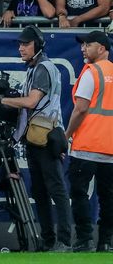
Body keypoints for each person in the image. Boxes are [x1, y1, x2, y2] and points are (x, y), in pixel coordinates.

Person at [0, 26, 72, 252]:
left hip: (45, 138)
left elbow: (30, 102)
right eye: (20, 44)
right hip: (36, 137)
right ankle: (49, 240)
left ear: (38, 46)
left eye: (26, 44)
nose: (21, 48)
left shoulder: (42, 68)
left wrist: (1, 101)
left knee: (55, 189)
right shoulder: (35, 68)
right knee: (40, 191)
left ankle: (64, 240)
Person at [66, 31, 113, 252]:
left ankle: (85, 239)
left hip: (86, 146)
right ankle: (106, 241)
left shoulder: (91, 72)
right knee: (108, 199)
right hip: (110, 147)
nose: (83, 48)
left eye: (88, 44)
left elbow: (81, 108)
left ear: (102, 48)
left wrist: (66, 135)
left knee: (79, 194)